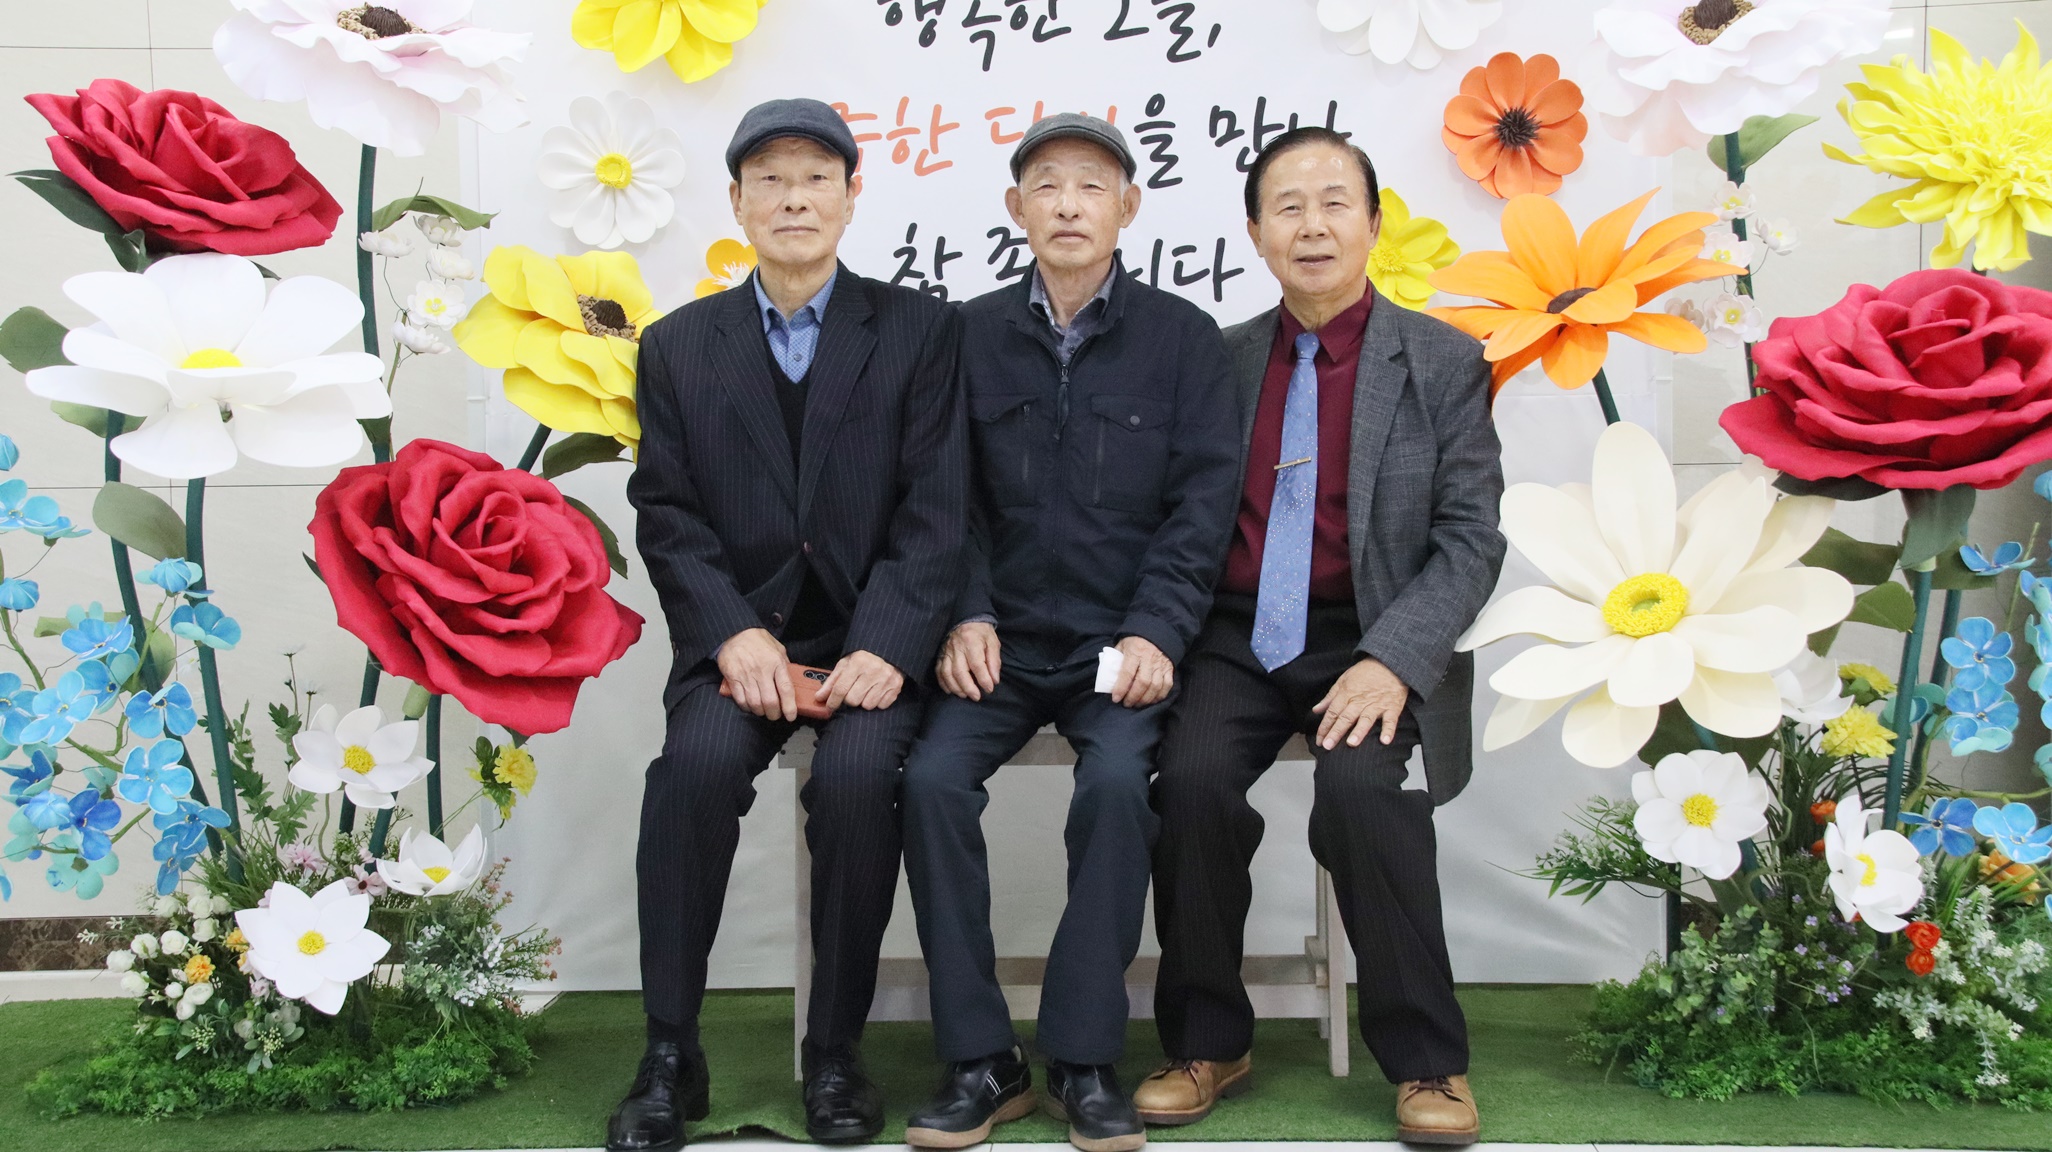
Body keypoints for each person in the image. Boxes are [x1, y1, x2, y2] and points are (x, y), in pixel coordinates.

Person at [1134, 127, 1505, 1147]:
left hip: (1368, 632)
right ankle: (1206, 1042)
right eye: (1287, 206)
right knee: (1191, 785)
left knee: (1360, 794)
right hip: (1237, 635)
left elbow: (1471, 538)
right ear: (1256, 233)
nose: (1312, 225)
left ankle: (1428, 1061)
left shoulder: (1443, 361)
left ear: (1374, 225)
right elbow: (1171, 518)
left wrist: (1395, 658)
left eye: (1335, 202)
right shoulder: (1217, 361)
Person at [611, 98, 968, 1152]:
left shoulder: (920, 332)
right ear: (737, 202)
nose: (794, 198)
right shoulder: (679, 345)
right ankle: (669, 1051)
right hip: (742, 644)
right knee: (689, 773)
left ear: (852, 198)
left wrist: (886, 644)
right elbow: (667, 513)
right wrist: (733, 635)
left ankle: (837, 1052)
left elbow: (937, 509)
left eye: (817, 177)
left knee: (857, 784)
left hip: (870, 646)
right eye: (769, 179)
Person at [897, 114, 1240, 1152]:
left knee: (1117, 790)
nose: (1068, 205)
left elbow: (1201, 508)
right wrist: (964, 609)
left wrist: (1156, 632)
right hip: (994, 645)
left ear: (1128, 207)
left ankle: (1084, 1057)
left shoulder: (1184, 339)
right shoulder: (962, 336)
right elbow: (940, 494)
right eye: (1046, 186)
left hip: (1117, 648)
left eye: (1092, 186)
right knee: (930, 781)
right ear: (1016, 209)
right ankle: (980, 1057)